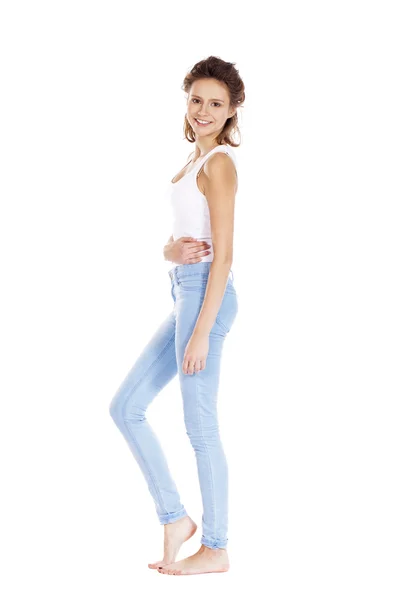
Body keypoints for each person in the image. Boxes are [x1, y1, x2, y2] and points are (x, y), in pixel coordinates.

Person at [109, 55, 245, 576]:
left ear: (232, 111)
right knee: (126, 406)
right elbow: (189, 234)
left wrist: (202, 332)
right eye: (196, 100)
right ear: (186, 103)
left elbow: (225, 255)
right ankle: (175, 518)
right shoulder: (191, 163)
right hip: (184, 293)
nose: (203, 110)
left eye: (216, 103)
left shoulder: (220, 165)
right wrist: (169, 250)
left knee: (200, 426)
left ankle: (216, 545)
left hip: (207, 298)